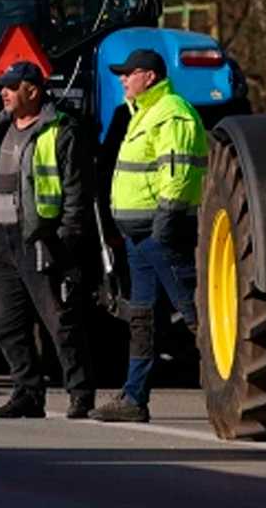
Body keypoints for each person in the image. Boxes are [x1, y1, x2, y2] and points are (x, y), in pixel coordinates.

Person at [0, 61, 96, 419]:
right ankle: (27, 393)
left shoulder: (60, 130)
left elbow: (76, 191)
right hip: (0, 240)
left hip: (40, 239)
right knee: (6, 325)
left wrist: (66, 240)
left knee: (60, 321)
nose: (3, 92)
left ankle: (80, 394)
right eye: (2, 86)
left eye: (10, 86)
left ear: (32, 91)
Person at [90, 49, 207, 423]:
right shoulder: (142, 114)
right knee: (142, 319)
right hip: (139, 237)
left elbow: (179, 172)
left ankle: (242, 383)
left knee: (195, 313)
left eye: (129, 73)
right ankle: (134, 398)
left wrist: (165, 224)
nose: (123, 79)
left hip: (160, 234)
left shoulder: (171, 112)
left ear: (150, 77)